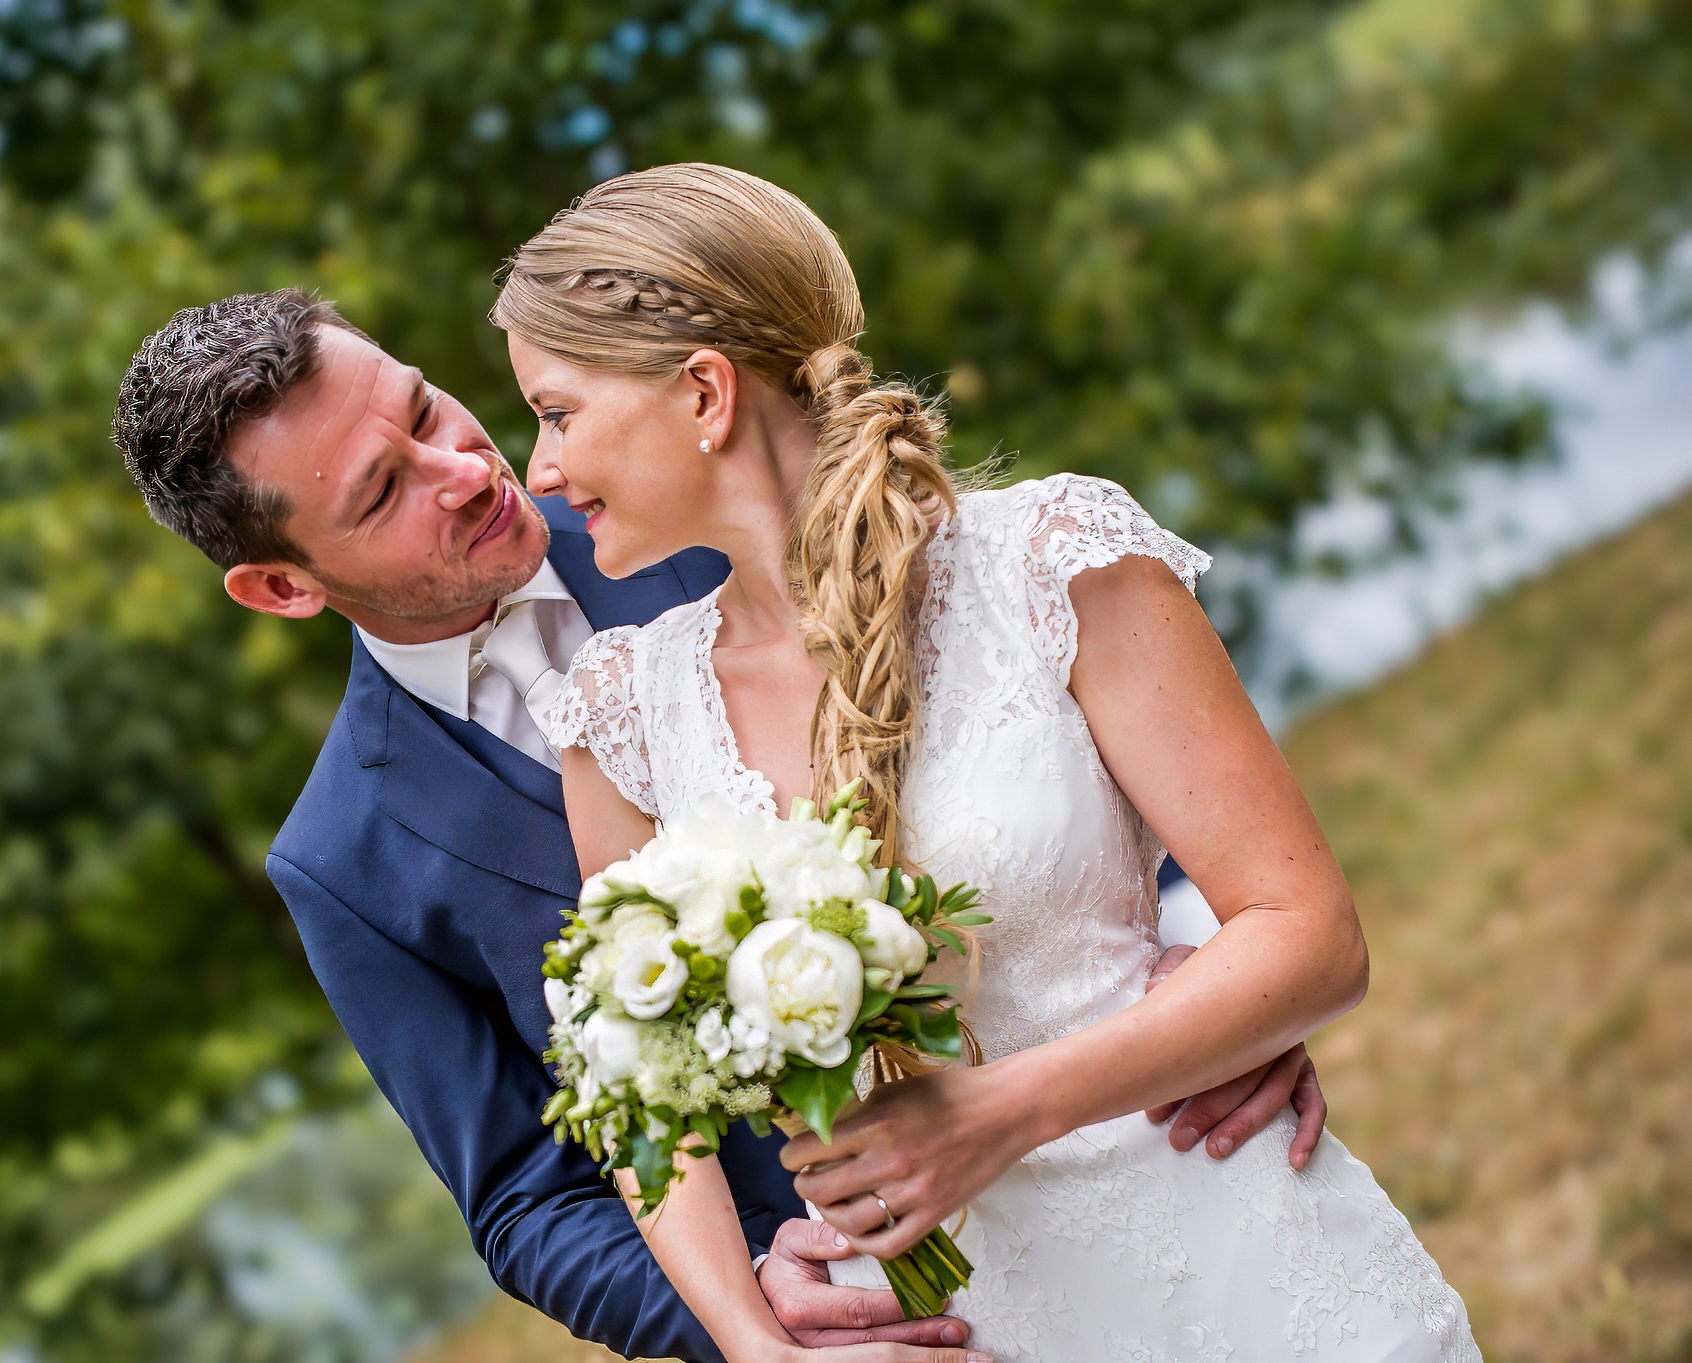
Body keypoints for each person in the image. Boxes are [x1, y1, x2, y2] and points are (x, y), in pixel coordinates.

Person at [111, 289, 1329, 1363]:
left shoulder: (712, 499)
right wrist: (748, 1315)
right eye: (384, 491)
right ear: (282, 586)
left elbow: (1033, 722)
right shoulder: (341, 862)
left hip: (1158, 1159)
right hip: (870, 1311)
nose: (469, 468)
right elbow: (522, 1200)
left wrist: (1211, 992)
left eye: (425, 409)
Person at [496, 164, 1478, 1362]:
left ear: (703, 393)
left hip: (1236, 1268)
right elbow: (651, 1107)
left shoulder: (1053, 564)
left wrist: (998, 1112)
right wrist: (754, 1346)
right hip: (947, 1329)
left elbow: (1309, 935)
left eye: (555, 412)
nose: (538, 470)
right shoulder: (618, 718)